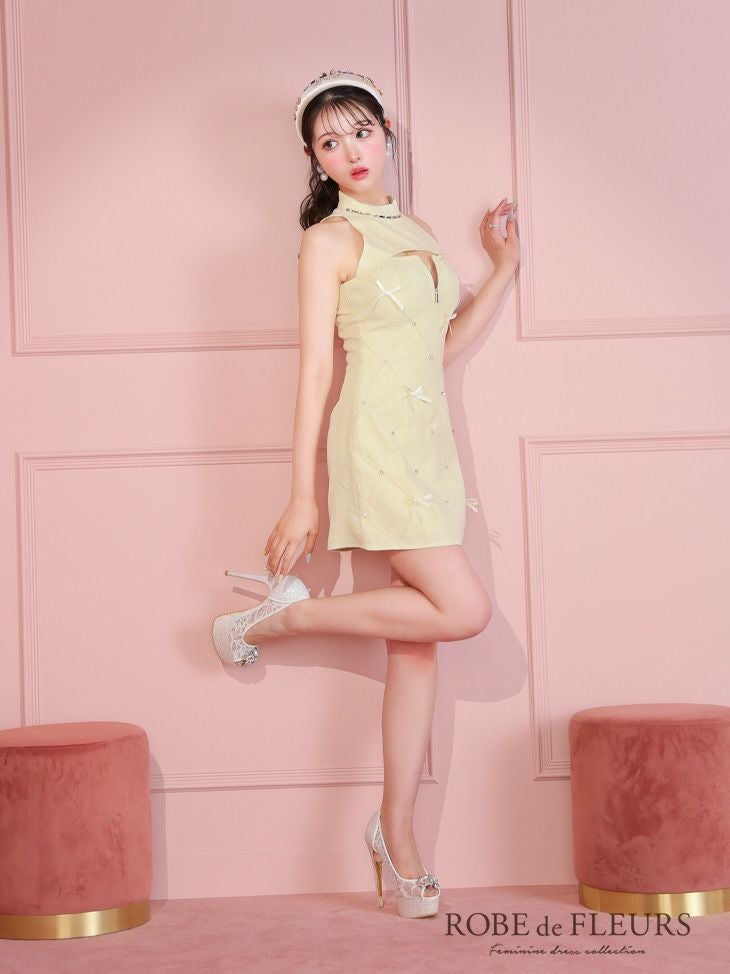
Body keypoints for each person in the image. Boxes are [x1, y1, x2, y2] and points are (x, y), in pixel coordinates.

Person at [212, 69, 519, 918]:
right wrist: (301, 496)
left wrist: (501, 269)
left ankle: (396, 832)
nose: (349, 151)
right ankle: (279, 619)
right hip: (375, 445)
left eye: (359, 132)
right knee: (464, 610)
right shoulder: (328, 241)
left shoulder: (416, 232)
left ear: (386, 133)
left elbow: (437, 348)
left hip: (431, 451)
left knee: (415, 650)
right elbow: (316, 370)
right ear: (314, 160)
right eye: (328, 141)